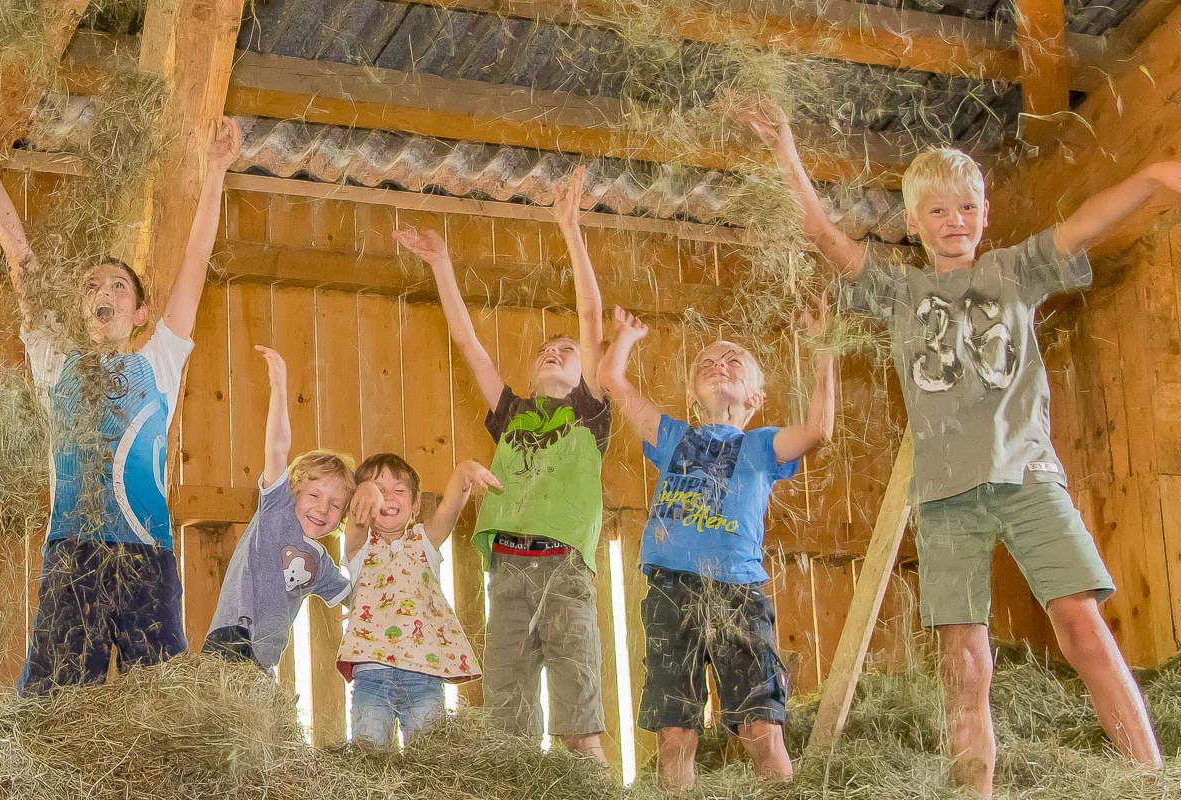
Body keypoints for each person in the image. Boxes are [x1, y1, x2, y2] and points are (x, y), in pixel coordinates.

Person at [742, 99, 1173, 795]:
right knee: (965, 663)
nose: (955, 222)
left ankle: (1151, 779)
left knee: (1081, 626)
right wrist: (787, 148)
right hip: (944, 497)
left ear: (985, 216)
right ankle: (973, 790)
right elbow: (822, 233)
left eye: (967, 208)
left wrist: (1155, 173)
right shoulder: (898, 292)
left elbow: (1088, 220)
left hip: (1029, 474)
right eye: (937, 211)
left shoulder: (1017, 270)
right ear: (912, 223)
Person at [0, 102, 242, 694]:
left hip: (146, 555)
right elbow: (21, 262)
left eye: (119, 287)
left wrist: (217, 172)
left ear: (140, 311)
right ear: (78, 309)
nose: (105, 293)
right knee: (57, 708)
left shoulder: (159, 361)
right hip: (72, 555)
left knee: (162, 706)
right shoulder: (55, 362)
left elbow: (197, 262)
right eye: (92, 286)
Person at [394, 164, 611, 759]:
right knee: (507, 726)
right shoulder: (512, 412)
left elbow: (590, 315)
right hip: (509, 572)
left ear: (583, 371)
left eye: (565, 352)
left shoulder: (590, 415)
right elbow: (467, 343)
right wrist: (440, 264)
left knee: (577, 721)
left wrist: (569, 225)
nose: (554, 351)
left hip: (566, 571)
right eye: (545, 349)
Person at [601, 303, 834, 791]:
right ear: (692, 394)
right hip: (672, 591)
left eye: (732, 361)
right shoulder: (673, 438)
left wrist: (824, 350)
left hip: (737, 594)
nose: (717, 365)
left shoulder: (761, 446)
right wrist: (625, 337)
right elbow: (614, 383)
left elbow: (818, 430)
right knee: (674, 733)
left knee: (759, 729)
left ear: (755, 396)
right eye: (706, 363)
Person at [202, 345, 356, 670]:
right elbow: (277, 447)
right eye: (314, 495)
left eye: (335, 504)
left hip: (264, 658)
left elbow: (354, 598)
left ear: (342, 516)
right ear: (294, 491)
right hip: (233, 636)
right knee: (221, 712)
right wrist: (279, 387)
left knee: (257, 719)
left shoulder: (322, 565)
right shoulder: (277, 510)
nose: (322, 508)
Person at [336, 454, 495, 749]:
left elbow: (449, 508)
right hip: (372, 677)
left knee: (429, 760)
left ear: (416, 504)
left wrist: (464, 470)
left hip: (424, 677)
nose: (387, 497)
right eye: (377, 489)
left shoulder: (425, 541)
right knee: (369, 759)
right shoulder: (359, 548)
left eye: (399, 490)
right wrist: (364, 493)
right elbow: (356, 524)